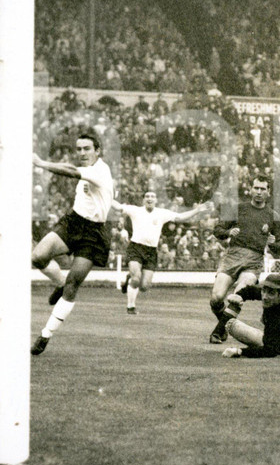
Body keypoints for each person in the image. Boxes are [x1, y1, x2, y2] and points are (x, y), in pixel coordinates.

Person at [30, 131, 113, 355]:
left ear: (98, 151)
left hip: (94, 233)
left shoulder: (100, 171)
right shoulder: (87, 170)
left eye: (87, 149)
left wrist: (40, 163)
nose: (82, 153)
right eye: (79, 149)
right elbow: (72, 169)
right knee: (37, 257)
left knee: (73, 283)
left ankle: (45, 335)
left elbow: (69, 170)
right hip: (73, 222)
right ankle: (58, 281)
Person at [207, 174, 280, 344]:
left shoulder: (273, 216)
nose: (258, 192)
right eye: (256, 188)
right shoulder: (238, 209)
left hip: (254, 260)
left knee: (238, 295)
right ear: (251, 189)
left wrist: (273, 243)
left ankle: (218, 331)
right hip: (232, 256)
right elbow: (218, 229)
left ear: (268, 192)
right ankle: (224, 324)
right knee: (216, 298)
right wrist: (228, 232)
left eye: (262, 189)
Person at [112, 191, 213, 314]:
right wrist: (103, 194)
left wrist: (197, 210)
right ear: (144, 200)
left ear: (156, 200)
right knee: (136, 279)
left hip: (151, 251)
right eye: (147, 196)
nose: (149, 199)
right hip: (135, 248)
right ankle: (130, 307)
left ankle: (129, 278)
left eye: (152, 196)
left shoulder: (162, 213)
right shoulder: (135, 210)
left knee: (144, 286)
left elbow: (180, 217)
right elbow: (117, 206)